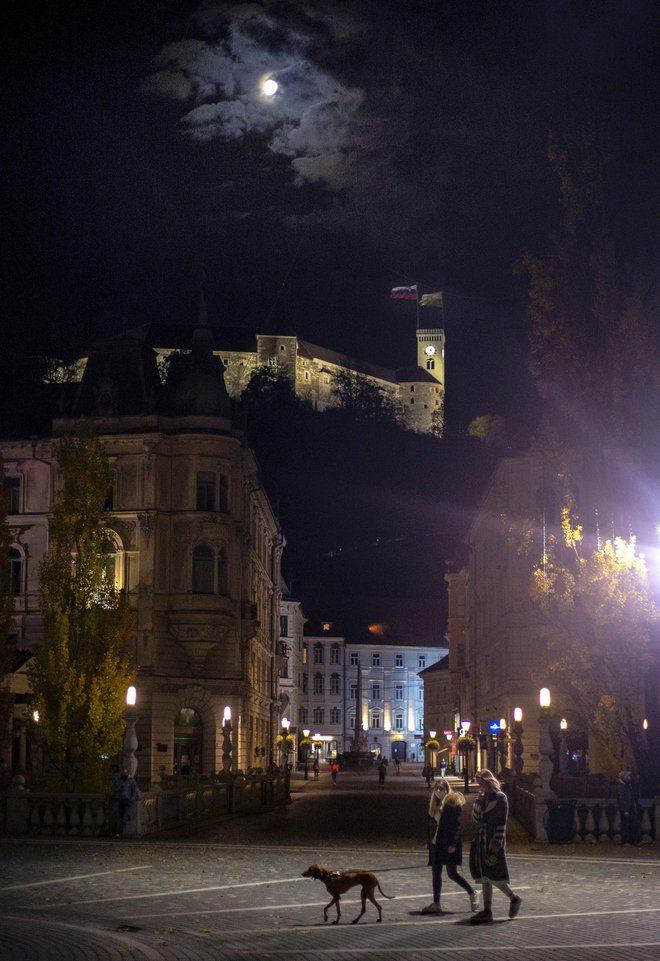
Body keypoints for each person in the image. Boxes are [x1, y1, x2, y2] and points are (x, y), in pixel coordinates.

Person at [469, 769, 522, 923]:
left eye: (481, 784)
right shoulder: (483, 798)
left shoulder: (500, 798)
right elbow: (476, 819)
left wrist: (497, 841)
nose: (480, 787)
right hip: (482, 840)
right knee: (485, 876)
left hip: (493, 841)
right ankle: (487, 910)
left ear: (487, 782)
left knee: (494, 875)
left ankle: (513, 898)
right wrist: (478, 802)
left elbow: (501, 822)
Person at [422, 778, 479, 914]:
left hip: (448, 843)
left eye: (442, 789)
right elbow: (433, 825)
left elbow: (456, 827)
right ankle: (436, 903)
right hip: (437, 843)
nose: (438, 791)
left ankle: (472, 892)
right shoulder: (434, 805)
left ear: (447, 790)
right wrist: (430, 841)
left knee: (452, 873)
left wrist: (453, 843)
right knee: (436, 873)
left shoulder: (452, 804)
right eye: (436, 789)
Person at [112, 769, 139, 838]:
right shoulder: (117, 780)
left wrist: (131, 799)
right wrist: (119, 790)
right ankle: (117, 832)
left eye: (125, 773)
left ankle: (119, 832)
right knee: (116, 814)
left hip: (127, 800)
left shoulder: (131, 780)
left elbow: (134, 791)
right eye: (122, 773)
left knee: (125, 817)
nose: (123, 774)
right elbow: (113, 789)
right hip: (118, 799)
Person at [617, 770, 641, 845]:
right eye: (628, 776)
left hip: (630, 808)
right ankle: (627, 840)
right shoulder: (622, 787)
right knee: (626, 825)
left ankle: (631, 840)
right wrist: (625, 810)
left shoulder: (626, 786)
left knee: (630, 824)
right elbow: (622, 800)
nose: (629, 777)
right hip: (627, 809)